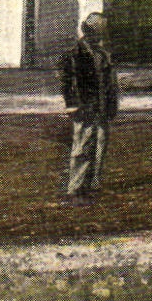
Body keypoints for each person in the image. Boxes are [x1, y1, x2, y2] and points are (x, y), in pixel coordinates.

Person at [57, 13, 119, 202]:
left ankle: (93, 185)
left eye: (101, 35)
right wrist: (72, 105)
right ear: (87, 32)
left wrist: (111, 106)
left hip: (102, 108)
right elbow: (67, 84)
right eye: (96, 34)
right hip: (84, 109)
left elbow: (111, 84)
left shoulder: (103, 55)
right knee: (82, 148)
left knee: (100, 146)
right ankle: (75, 188)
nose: (99, 38)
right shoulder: (73, 55)